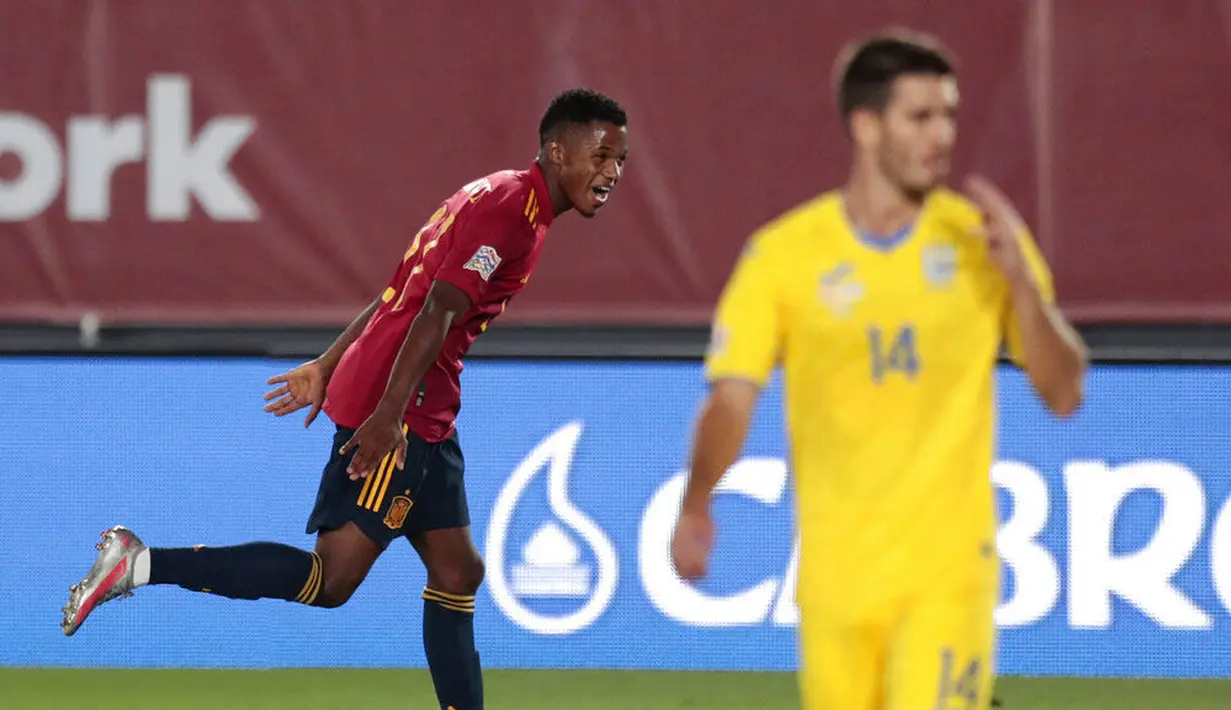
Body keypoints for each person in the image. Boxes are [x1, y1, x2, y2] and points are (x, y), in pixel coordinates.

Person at [60, 87, 630, 710]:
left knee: (458, 572)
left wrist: (330, 364)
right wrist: (387, 417)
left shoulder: (496, 193)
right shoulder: (509, 217)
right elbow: (436, 308)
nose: (612, 173)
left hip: (424, 410)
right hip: (404, 410)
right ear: (557, 149)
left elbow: (401, 290)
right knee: (329, 580)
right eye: (601, 156)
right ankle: (138, 564)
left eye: (620, 161)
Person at [669, 29, 1086, 710]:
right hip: (834, 588)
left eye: (948, 115)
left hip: (946, 580)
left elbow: (1063, 391)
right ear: (866, 127)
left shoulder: (981, 242)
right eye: (920, 117)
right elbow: (732, 399)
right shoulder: (783, 256)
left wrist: (1022, 287)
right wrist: (695, 502)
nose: (942, 135)